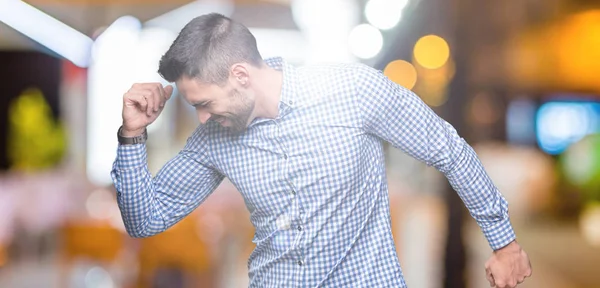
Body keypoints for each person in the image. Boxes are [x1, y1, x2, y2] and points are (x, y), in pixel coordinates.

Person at [110, 13, 532, 288]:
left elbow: (447, 150)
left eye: (204, 103)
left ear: (240, 75)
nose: (201, 118)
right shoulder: (215, 138)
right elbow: (146, 219)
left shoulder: (350, 90)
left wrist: (505, 244)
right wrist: (131, 135)